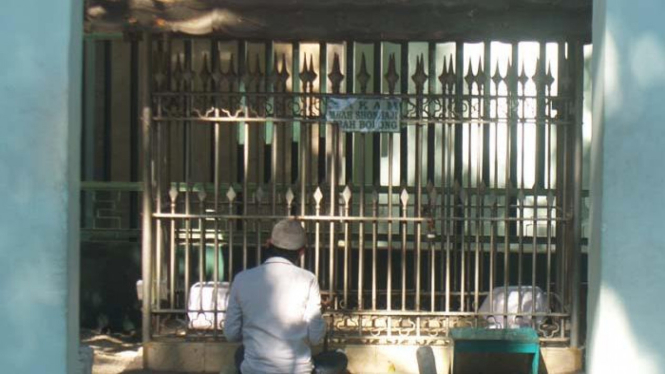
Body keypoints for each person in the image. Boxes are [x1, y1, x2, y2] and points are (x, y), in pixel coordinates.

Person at [224, 219, 347, 374]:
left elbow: (231, 334)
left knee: (241, 353)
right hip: (299, 370)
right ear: (301, 251)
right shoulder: (308, 279)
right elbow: (316, 338)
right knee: (340, 358)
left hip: (254, 370)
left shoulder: (242, 279)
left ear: (268, 244)